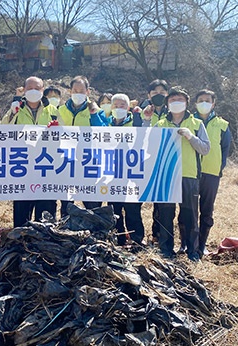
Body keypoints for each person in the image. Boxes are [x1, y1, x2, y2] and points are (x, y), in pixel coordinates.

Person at [154, 86, 210, 261]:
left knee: (190, 216)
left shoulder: (196, 124)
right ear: (167, 104)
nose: (176, 103)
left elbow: (205, 149)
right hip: (166, 176)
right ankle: (166, 250)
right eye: (172, 100)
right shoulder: (160, 124)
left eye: (180, 100)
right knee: (165, 214)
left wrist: (190, 137)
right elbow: (150, 149)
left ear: (187, 103)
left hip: (189, 175)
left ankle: (192, 252)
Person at [1, 77, 59, 228]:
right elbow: (2, 131)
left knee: (46, 209)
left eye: (37, 88)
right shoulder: (16, 109)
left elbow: (64, 135)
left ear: (42, 90)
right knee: (22, 209)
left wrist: (57, 130)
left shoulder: (52, 110)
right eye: (30, 88)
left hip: (45, 165)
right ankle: (21, 244)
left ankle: (45, 244)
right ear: (24, 90)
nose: (33, 91)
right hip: (22, 165)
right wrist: (13, 113)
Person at [58, 75, 107, 217]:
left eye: (81, 90)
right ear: (70, 91)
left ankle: (95, 234)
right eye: (75, 90)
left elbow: (104, 132)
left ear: (88, 92)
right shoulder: (60, 110)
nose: (78, 93)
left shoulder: (97, 111)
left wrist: (93, 115)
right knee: (66, 203)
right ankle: (65, 232)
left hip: (89, 162)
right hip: (66, 162)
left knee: (92, 203)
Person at [194, 89, 231, 257]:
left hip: (211, 174)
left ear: (213, 103)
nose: (204, 103)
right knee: (189, 210)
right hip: (191, 172)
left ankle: (202, 244)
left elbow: (225, 150)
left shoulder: (222, 125)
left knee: (206, 210)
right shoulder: (190, 121)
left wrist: (219, 169)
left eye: (207, 100)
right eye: (200, 100)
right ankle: (188, 244)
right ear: (195, 103)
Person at [106, 93, 145, 247]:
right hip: (111, 173)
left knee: (132, 210)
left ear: (128, 107)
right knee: (114, 209)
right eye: (115, 105)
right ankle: (119, 240)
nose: (119, 108)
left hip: (132, 174)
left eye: (122, 105)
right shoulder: (106, 125)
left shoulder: (135, 122)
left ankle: (136, 241)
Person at [140, 79, 170, 244]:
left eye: (162, 92)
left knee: (161, 202)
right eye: (155, 92)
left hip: (164, 161)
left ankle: (157, 235)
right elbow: (138, 135)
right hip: (143, 161)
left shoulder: (172, 112)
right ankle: (138, 236)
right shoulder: (138, 112)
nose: (158, 95)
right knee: (137, 201)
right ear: (149, 95)